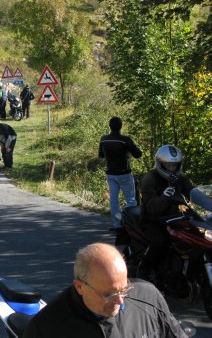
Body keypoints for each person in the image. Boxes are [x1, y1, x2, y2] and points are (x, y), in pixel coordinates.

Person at [23, 243, 186, 338]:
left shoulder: (148, 297)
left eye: (124, 289)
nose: (120, 301)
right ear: (80, 287)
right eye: (108, 294)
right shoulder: (46, 328)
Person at [138, 144, 194, 281]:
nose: (172, 168)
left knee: (194, 239)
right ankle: (143, 268)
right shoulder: (150, 179)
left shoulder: (181, 178)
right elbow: (151, 207)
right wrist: (164, 198)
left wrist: (206, 200)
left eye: (175, 165)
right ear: (160, 164)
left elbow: (193, 192)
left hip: (175, 218)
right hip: (153, 220)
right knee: (160, 243)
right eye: (168, 165)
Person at [98, 117, 142, 230]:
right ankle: (129, 223)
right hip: (125, 173)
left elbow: (101, 155)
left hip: (111, 173)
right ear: (121, 126)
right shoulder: (125, 140)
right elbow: (138, 154)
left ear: (109, 126)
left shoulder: (104, 139)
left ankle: (117, 224)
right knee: (131, 199)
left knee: (114, 199)